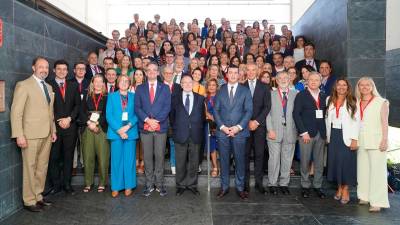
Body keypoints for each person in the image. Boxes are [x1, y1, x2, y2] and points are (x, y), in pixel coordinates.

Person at [10, 57, 57, 212]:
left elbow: (50, 112)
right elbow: (16, 112)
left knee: (42, 167)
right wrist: (19, 134)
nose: (44, 70)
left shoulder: (49, 87)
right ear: (33, 68)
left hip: (47, 134)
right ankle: (29, 200)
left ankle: (38, 196)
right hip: (29, 135)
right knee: (30, 167)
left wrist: (53, 130)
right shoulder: (23, 85)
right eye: (40, 67)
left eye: (46, 67)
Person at [214, 65, 253, 200]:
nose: (232, 75)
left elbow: (248, 111)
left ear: (239, 75)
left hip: (239, 133)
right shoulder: (221, 90)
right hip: (223, 132)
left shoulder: (245, 91)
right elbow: (216, 111)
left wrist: (238, 127)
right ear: (227, 75)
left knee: (240, 161)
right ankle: (224, 187)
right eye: (230, 72)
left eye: (235, 73)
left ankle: (240, 188)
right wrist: (223, 127)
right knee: (224, 161)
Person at [135, 63, 171, 197]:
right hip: (145, 128)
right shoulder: (140, 88)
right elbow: (137, 107)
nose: (151, 72)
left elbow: (167, 107)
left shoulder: (165, 88)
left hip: (160, 127)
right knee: (148, 157)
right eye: (148, 70)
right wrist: (147, 120)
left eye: (154, 70)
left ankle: (159, 184)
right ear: (146, 72)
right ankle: (149, 184)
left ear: (158, 73)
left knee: (160, 156)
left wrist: (156, 121)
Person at [45, 60, 81, 196]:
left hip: (70, 127)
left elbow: (77, 105)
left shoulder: (73, 86)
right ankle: (55, 185)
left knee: (68, 156)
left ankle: (67, 184)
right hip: (54, 127)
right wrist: (58, 120)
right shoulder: (48, 85)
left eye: (64, 69)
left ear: (68, 71)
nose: (61, 71)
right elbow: (47, 106)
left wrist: (69, 118)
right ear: (54, 70)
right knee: (54, 157)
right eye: (59, 69)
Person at [355, 77, 390, 212]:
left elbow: (385, 123)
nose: (364, 87)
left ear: (372, 86)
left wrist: (385, 140)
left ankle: (377, 201)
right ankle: (364, 196)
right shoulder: (356, 102)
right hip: (361, 140)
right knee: (362, 169)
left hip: (377, 140)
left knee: (377, 172)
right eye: (361, 85)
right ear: (358, 87)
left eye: (367, 85)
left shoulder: (382, 102)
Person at [293, 71, 327, 199]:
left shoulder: (324, 96)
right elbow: (296, 114)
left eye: (316, 80)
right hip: (306, 134)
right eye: (311, 80)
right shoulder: (301, 95)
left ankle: (318, 186)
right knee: (305, 161)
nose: (313, 82)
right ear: (307, 81)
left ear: (320, 82)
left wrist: (326, 133)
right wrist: (303, 132)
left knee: (319, 162)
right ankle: (305, 186)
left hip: (321, 133)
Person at [170, 75, 206, 196]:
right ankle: (180, 185)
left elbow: (202, 117)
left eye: (189, 82)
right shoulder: (174, 98)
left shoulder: (200, 98)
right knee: (180, 161)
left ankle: (192, 185)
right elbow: (172, 117)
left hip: (195, 134)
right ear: (181, 84)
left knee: (194, 161)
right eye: (184, 82)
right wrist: (175, 130)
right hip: (180, 133)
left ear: (193, 83)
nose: (187, 84)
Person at [325, 78, 359, 204]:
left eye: (344, 85)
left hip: (347, 136)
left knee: (346, 163)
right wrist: (327, 136)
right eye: (339, 85)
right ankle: (339, 188)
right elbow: (327, 119)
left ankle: (345, 189)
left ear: (347, 87)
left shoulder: (353, 100)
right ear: (335, 87)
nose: (341, 87)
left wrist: (355, 139)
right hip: (333, 135)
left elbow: (357, 121)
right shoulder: (329, 99)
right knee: (335, 162)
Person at [106, 75, 139, 197]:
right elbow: (109, 115)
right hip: (116, 133)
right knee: (116, 160)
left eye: (126, 81)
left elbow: (137, 114)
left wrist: (128, 126)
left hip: (130, 132)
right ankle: (116, 186)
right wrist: (119, 130)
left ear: (130, 84)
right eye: (122, 81)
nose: (124, 83)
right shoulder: (111, 96)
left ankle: (129, 185)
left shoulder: (135, 97)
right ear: (117, 83)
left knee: (129, 160)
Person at [267, 71, 298, 195]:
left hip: (291, 131)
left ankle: (284, 183)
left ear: (290, 79)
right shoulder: (271, 94)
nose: (284, 79)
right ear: (276, 80)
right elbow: (267, 114)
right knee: (274, 159)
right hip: (274, 131)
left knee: (287, 159)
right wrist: (270, 129)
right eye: (281, 78)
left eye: (286, 77)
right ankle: (272, 183)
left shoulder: (296, 95)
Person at [243, 63, 271, 194]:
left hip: (259, 127)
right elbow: (239, 107)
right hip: (244, 126)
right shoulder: (241, 86)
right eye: (248, 70)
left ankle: (259, 183)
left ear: (258, 71)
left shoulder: (265, 87)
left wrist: (257, 121)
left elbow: (267, 107)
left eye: (253, 70)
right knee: (245, 155)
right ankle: (245, 183)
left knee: (259, 155)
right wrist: (247, 122)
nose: (250, 72)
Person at [80, 75, 110, 193]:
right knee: (88, 156)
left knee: (103, 158)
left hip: (102, 128)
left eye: (100, 82)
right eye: (95, 81)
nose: (98, 84)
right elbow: (81, 111)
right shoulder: (87, 96)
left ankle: (102, 183)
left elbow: (108, 113)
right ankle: (88, 182)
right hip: (88, 128)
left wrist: (97, 123)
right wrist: (89, 123)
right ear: (92, 83)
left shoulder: (107, 97)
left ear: (103, 83)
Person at [163, 67, 182, 175]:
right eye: (167, 73)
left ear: (173, 74)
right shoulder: (159, 86)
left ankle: (173, 164)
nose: (169, 75)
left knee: (173, 143)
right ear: (163, 74)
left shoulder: (178, 87)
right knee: (160, 145)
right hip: (161, 119)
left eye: (171, 73)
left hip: (175, 120)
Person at [205, 78, 219, 177]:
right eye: (209, 85)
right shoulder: (204, 98)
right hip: (209, 125)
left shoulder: (221, 97)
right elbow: (204, 111)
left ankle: (222, 166)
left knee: (221, 147)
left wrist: (217, 118)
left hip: (221, 124)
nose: (211, 87)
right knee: (212, 147)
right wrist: (210, 117)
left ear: (217, 87)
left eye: (213, 85)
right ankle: (215, 167)